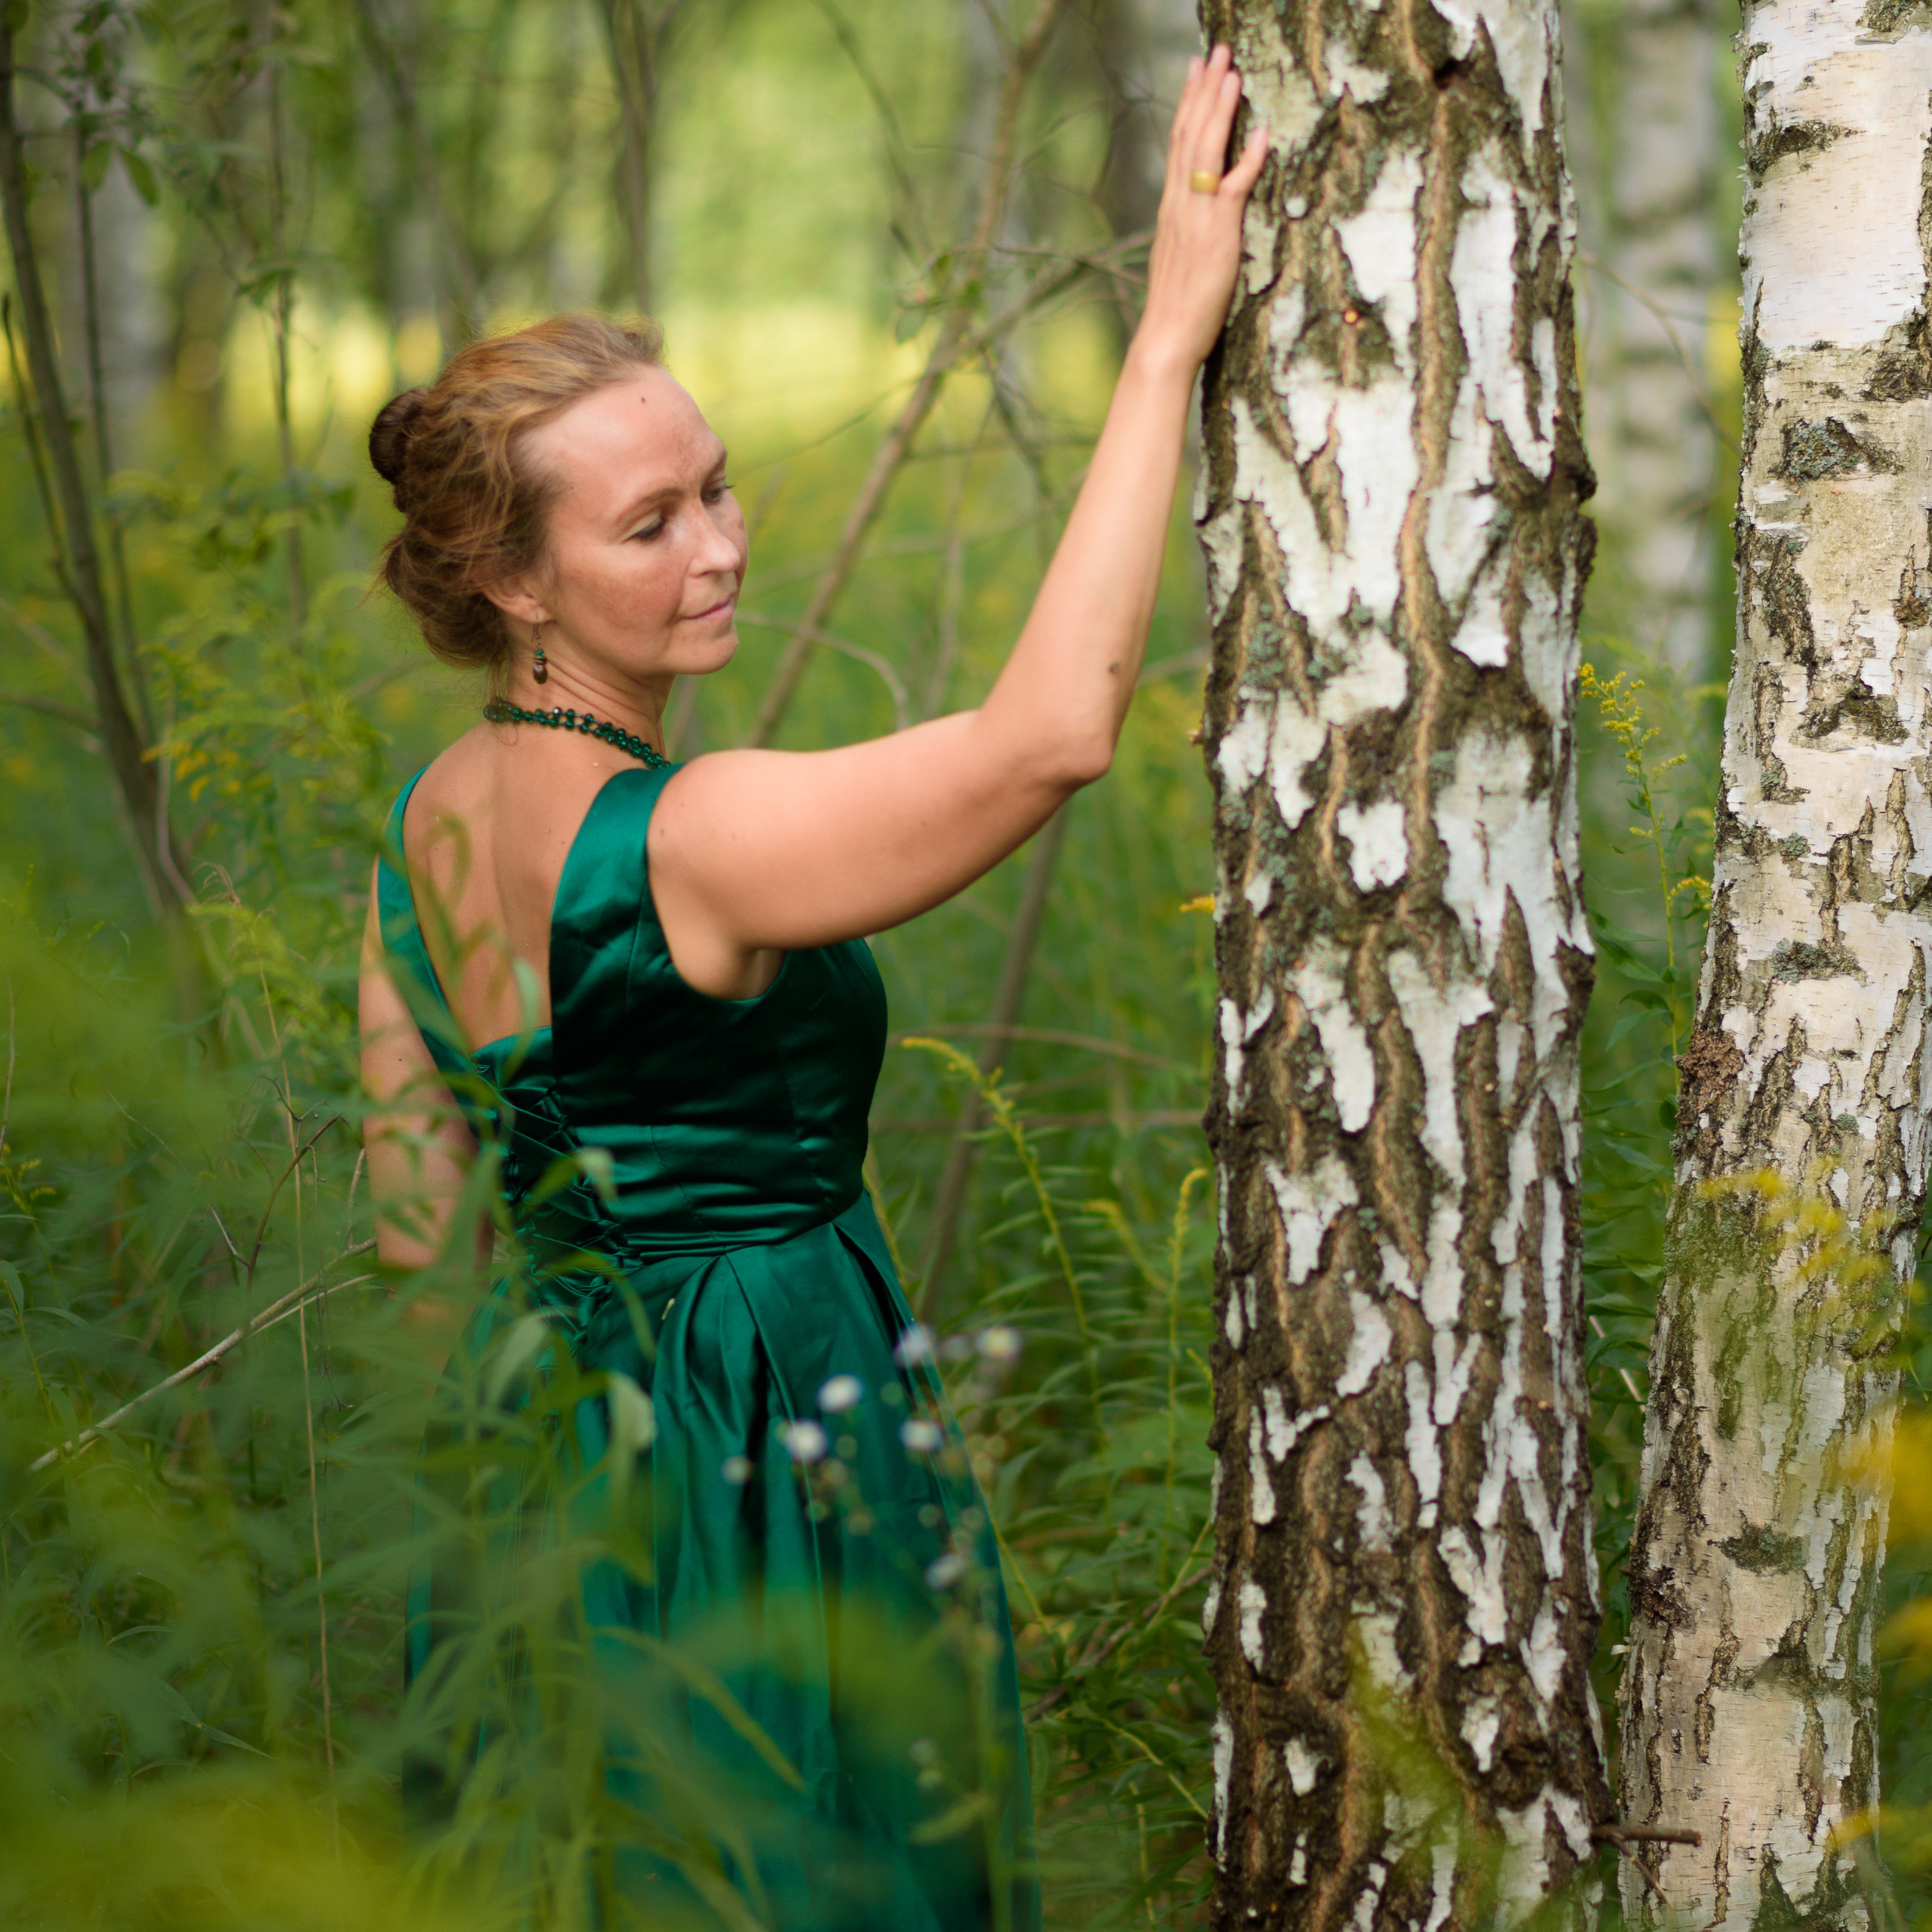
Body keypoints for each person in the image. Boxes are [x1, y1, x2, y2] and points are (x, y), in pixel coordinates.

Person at [358, 46, 1266, 1932]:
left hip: (554, 1477)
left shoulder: (425, 827)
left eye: (714, 487)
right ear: (509, 583)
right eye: (646, 525)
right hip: (764, 1435)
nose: (721, 545)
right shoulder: (696, 839)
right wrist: (1168, 336)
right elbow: (1050, 736)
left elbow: (416, 1250)